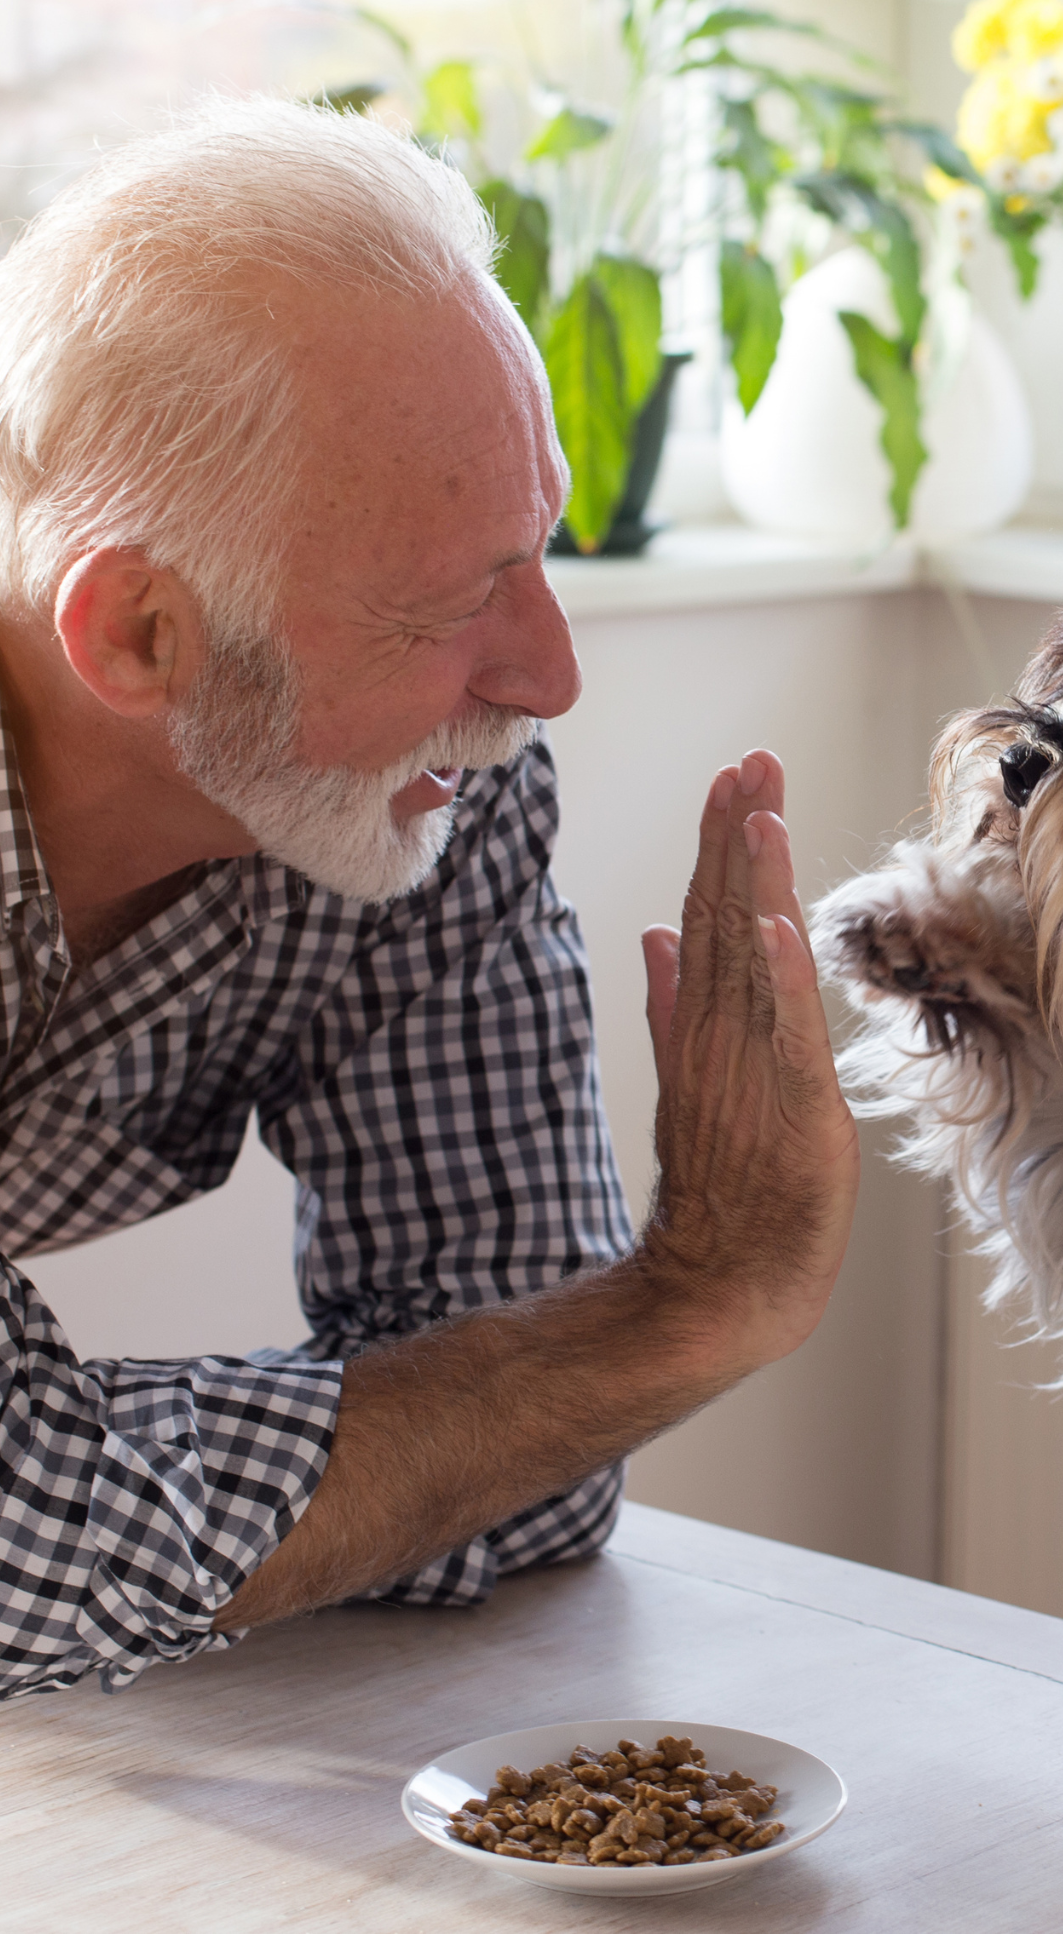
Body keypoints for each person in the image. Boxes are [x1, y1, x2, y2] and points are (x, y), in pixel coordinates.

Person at [0, 98, 859, 1697]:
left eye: (535, 551)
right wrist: (697, 1301)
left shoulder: (414, 802)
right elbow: (19, 1552)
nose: (550, 677)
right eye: (457, 598)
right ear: (135, 639)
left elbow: (537, 1462)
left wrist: (613, 1350)